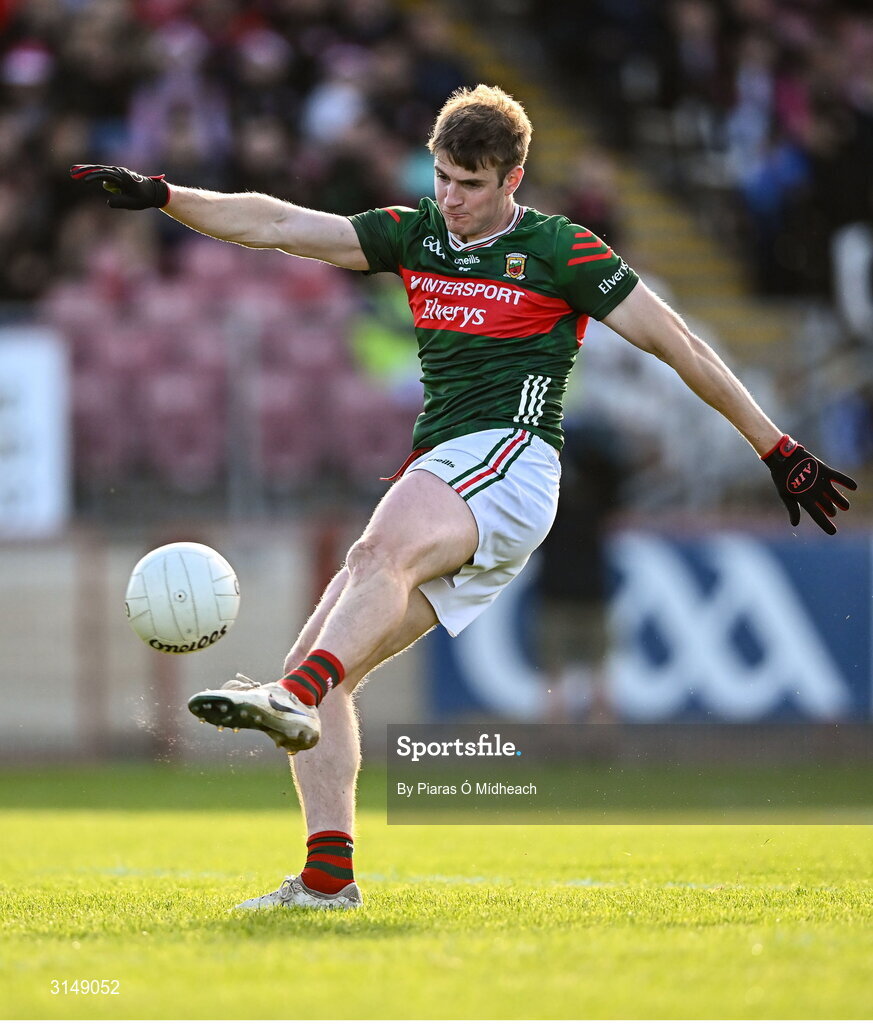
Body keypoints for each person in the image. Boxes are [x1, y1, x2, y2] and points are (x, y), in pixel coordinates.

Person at [72, 83, 857, 911]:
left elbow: (681, 346)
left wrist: (775, 447)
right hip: (453, 472)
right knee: (324, 670)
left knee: (370, 562)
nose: (449, 197)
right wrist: (165, 196)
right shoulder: (415, 234)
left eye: (469, 184)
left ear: (511, 180)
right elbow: (274, 224)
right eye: (442, 176)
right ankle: (326, 879)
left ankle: (290, 697)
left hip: (512, 460)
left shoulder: (563, 250)